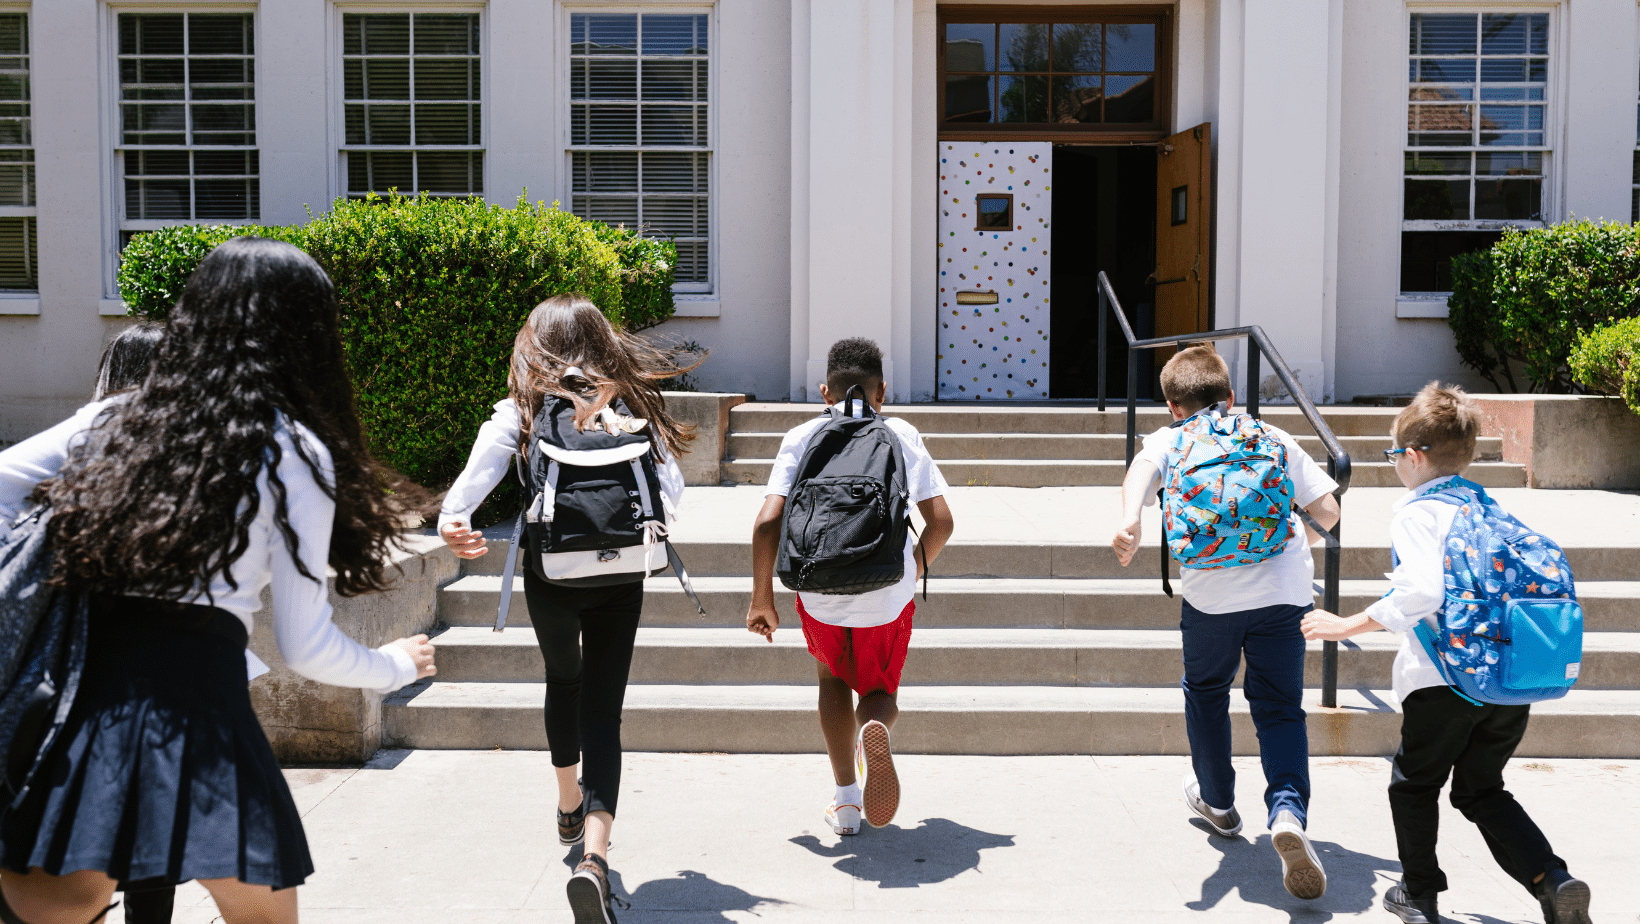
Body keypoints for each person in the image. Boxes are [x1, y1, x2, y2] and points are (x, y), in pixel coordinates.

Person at [0, 237, 437, 924]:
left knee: (59, 901)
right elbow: (305, 647)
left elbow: (3, 488)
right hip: (200, 706)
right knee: (261, 915)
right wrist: (390, 665)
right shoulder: (291, 449)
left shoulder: (113, 419)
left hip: (86, 700)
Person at [437, 294, 697, 924]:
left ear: (536, 344)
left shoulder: (521, 411)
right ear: (603, 341)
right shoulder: (633, 406)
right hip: (620, 576)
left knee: (564, 681)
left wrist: (454, 519)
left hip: (551, 576)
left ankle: (566, 801)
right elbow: (672, 500)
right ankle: (596, 860)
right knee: (603, 710)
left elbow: (475, 479)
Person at [1301, 383, 1592, 924]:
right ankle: (1552, 878)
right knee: (1482, 789)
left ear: (1413, 457)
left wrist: (1348, 624)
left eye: (1395, 456)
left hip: (1442, 678)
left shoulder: (1418, 512)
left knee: (1414, 783)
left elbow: (1421, 592)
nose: (1394, 466)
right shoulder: (1487, 506)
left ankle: (1417, 892)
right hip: (1508, 675)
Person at [1110, 345, 1340, 900]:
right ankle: (1286, 813)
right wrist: (1292, 540)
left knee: (1207, 692)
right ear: (1231, 396)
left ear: (1172, 405)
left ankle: (1218, 802)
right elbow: (1329, 512)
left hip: (1211, 599)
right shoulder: (1271, 436)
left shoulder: (1171, 439)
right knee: (1280, 707)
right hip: (1284, 594)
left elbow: (1140, 474)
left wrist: (1128, 523)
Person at [745, 338, 955, 836]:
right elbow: (942, 522)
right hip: (887, 593)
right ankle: (874, 726)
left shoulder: (801, 435)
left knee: (831, 680)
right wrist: (913, 569)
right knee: (879, 690)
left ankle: (845, 802)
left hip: (818, 590)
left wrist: (761, 600)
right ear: (882, 390)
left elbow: (767, 522)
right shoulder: (900, 433)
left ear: (824, 391)